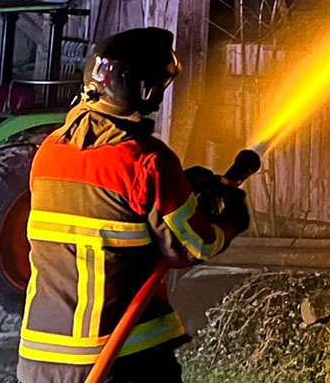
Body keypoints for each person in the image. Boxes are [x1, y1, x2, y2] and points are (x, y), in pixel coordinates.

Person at [18, 27, 249, 383]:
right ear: (146, 90)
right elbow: (193, 246)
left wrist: (183, 187)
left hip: (39, 362)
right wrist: (232, 217)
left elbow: (107, 205)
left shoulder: (48, 152)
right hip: (120, 358)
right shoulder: (148, 160)